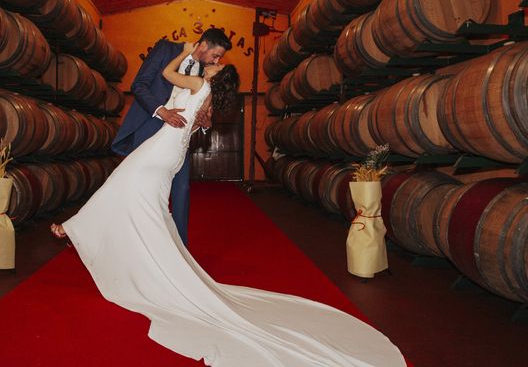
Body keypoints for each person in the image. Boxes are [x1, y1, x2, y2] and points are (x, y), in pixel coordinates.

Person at [50, 43, 405, 367]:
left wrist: (185, 52)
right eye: (215, 60)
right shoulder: (207, 98)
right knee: (140, 201)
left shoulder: (199, 86)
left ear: (216, 77)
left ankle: (79, 229)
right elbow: (186, 112)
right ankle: (115, 243)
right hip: (169, 156)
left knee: (121, 185)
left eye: (219, 65)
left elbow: (165, 75)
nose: (215, 64)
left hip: (159, 152)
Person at [110, 28, 232, 246]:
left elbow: (205, 111)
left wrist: (205, 124)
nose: (217, 60)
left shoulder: (206, 73)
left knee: (182, 188)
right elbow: (139, 84)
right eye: (216, 55)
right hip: (151, 122)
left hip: (177, 136)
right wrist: (161, 111)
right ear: (203, 45)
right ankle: (131, 240)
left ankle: (179, 247)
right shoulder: (166, 49)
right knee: (138, 184)